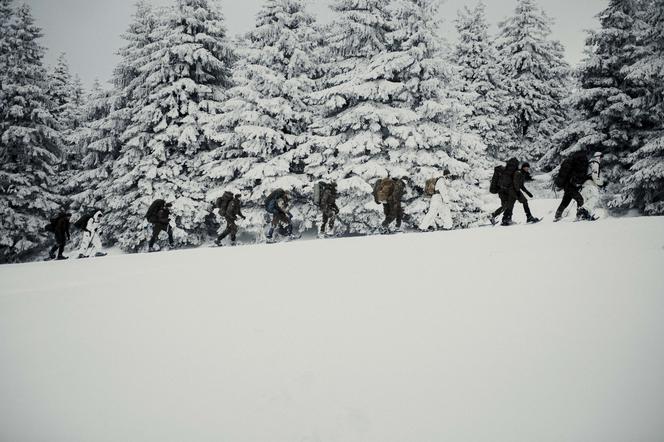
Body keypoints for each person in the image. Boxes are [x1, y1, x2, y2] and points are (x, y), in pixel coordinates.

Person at [554, 151, 593, 221]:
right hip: (570, 185)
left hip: (568, 184)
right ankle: (580, 216)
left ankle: (557, 215)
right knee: (579, 199)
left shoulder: (576, 162)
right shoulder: (581, 162)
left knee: (565, 201)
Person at [489, 158, 519, 226]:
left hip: (501, 191)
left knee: (506, 205)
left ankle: (505, 219)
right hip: (507, 191)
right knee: (508, 205)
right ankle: (505, 219)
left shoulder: (503, 170)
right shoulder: (512, 171)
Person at [580, 152, 604, 220]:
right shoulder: (595, 164)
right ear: (598, 157)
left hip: (584, 185)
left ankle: (586, 215)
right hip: (590, 184)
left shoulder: (589, 164)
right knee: (595, 197)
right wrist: (600, 183)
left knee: (587, 199)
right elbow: (594, 175)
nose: (601, 159)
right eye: (601, 157)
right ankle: (583, 209)